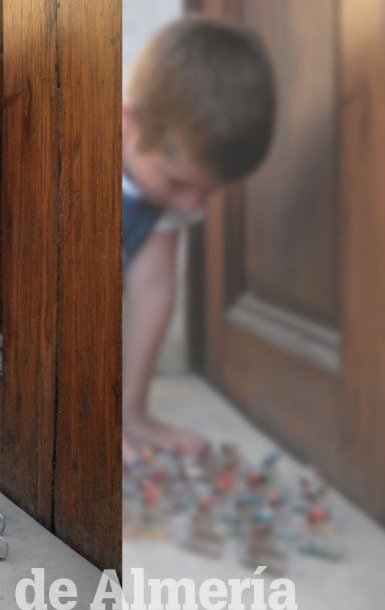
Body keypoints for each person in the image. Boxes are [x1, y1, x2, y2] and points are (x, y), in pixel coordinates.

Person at [122, 16, 275, 454]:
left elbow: (153, 287)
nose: (192, 206)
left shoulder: (169, 185)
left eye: (208, 191)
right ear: (127, 121)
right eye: (178, 183)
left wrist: (130, 413)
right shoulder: (80, 157)